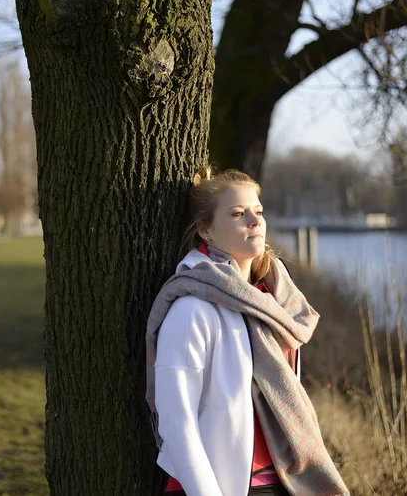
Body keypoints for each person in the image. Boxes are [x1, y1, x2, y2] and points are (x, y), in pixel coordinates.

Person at [145, 166, 349, 496]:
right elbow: (176, 423)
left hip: (285, 480)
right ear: (205, 229)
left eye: (258, 211)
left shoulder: (273, 303)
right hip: (219, 486)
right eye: (239, 214)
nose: (255, 222)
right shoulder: (192, 310)